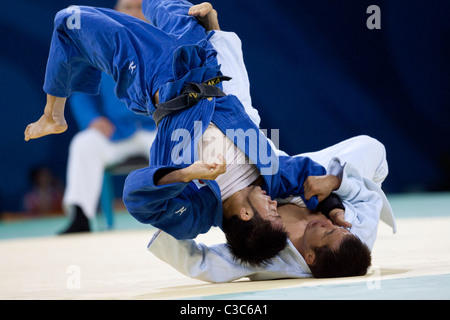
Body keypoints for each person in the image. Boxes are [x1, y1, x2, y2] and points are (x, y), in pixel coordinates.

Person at [23, 0, 344, 266]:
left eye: (272, 215)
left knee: (71, 20)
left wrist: (188, 173)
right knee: (168, 4)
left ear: (246, 215)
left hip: (157, 77)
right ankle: (54, 113)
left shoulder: (197, 213)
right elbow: (307, 175)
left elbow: (136, 198)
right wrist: (332, 202)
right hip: (201, 58)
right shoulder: (274, 177)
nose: (277, 206)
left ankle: (53, 115)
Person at [59, 0, 157, 234]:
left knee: (182, 145)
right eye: (127, 7)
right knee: (84, 144)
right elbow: (81, 90)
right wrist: (92, 119)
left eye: (139, 7)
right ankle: (80, 216)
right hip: (117, 131)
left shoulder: (163, 42)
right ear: (115, 13)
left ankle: (187, 213)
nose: (134, 12)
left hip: (157, 128)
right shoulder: (98, 45)